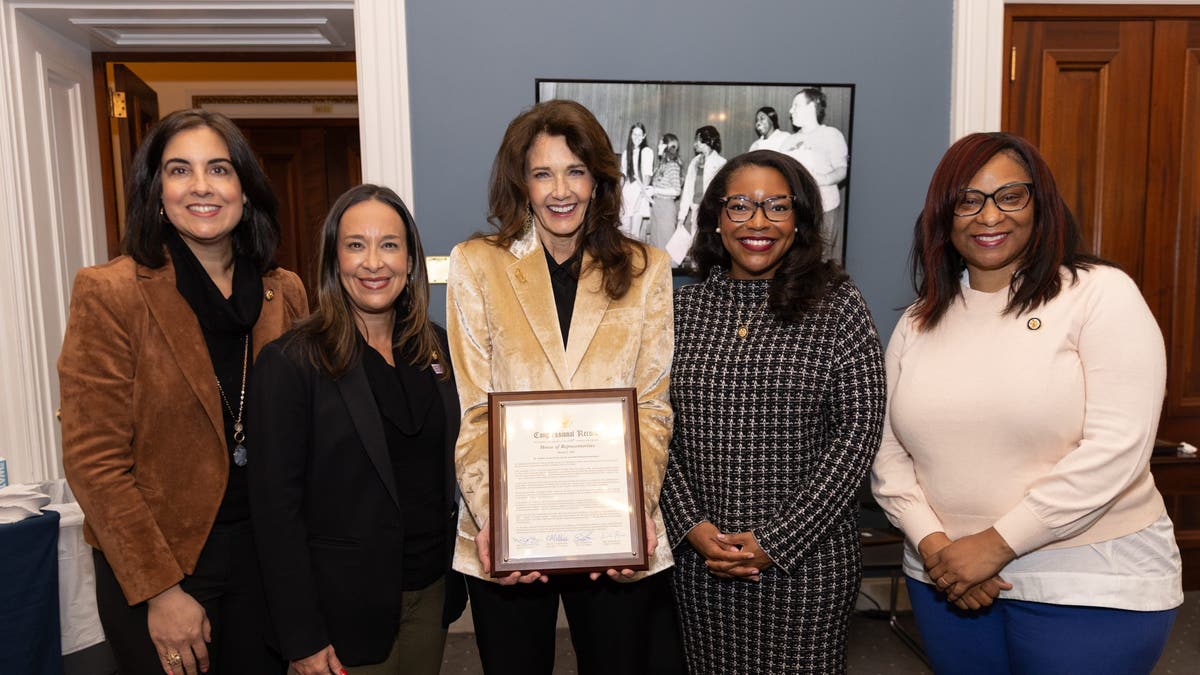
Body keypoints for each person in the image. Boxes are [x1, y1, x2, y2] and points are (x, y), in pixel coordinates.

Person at [871, 132, 1183, 674]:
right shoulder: (921, 318)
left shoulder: (1098, 293)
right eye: (967, 200)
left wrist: (994, 545)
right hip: (947, 582)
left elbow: (1118, 448)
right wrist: (938, 547)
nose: (988, 216)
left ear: (1041, 205)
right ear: (943, 218)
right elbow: (888, 453)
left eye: (1009, 196)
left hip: (1089, 582)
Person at [58, 108, 307, 675]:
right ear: (156, 191)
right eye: (179, 170)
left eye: (219, 168)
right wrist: (160, 590)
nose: (201, 186)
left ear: (245, 188)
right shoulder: (111, 292)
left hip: (266, 560)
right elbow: (94, 461)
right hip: (163, 565)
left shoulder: (283, 292)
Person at [447, 99, 683, 674]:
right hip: (507, 528)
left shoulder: (647, 267)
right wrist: (498, 519)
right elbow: (475, 408)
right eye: (543, 172)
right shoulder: (477, 264)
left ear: (599, 180)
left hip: (614, 526)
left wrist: (632, 513)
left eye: (575, 171)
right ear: (521, 183)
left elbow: (652, 408)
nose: (561, 190)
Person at [661, 149, 885, 673]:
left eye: (776, 206)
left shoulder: (838, 305)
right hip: (701, 561)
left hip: (807, 565)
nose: (757, 222)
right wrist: (690, 524)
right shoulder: (680, 311)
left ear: (801, 220)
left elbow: (858, 434)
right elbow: (653, 429)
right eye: (739, 205)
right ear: (716, 218)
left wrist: (777, 541)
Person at [247, 184, 467, 674]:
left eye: (389, 245)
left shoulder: (436, 348)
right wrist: (301, 637)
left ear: (410, 260)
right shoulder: (290, 364)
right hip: (340, 612)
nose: (374, 262)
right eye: (356, 245)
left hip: (430, 595)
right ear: (334, 259)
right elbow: (274, 514)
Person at [782, 88, 848, 261]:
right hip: (795, 211)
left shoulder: (831, 135)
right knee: (795, 259)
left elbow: (841, 170)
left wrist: (818, 180)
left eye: (796, 105)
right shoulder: (788, 141)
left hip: (824, 208)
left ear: (812, 106)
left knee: (821, 259)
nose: (791, 111)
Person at [677, 125, 726, 234]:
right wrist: (681, 217)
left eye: (698, 140)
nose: (695, 144)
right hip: (695, 211)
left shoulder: (721, 163)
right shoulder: (694, 162)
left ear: (708, 141)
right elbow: (687, 190)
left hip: (711, 213)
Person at [619, 122, 655, 240]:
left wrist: (640, 198)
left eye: (640, 135)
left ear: (644, 136)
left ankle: (635, 258)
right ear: (631, 135)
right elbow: (622, 177)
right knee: (624, 230)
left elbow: (647, 177)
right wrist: (619, 195)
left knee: (635, 234)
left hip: (640, 193)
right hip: (626, 193)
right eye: (634, 134)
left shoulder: (647, 152)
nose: (637, 137)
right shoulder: (625, 153)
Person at [647, 133, 683, 249]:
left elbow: (676, 190)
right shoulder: (662, 165)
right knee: (655, 245)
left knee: (665, 246)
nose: (658, 145)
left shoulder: (672, 165)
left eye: (661, 143)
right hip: (656, 206)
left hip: (666, 208)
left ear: (668, 146)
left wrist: (655, 190)